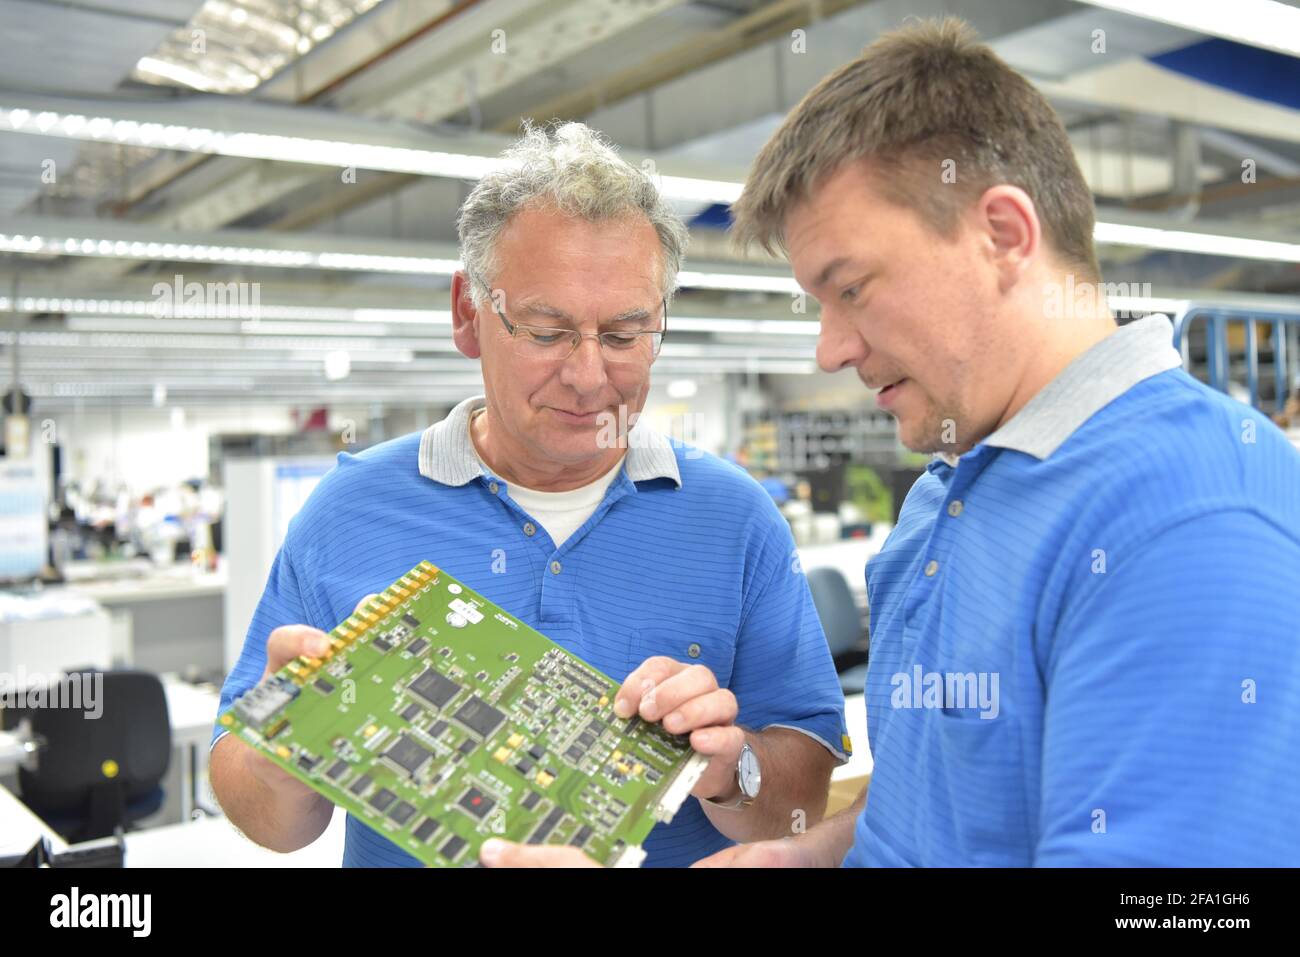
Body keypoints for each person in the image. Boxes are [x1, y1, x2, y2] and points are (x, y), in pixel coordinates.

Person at [487, 17, 1300, 868]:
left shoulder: (1192, 520)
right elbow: (951, 806)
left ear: (1004, 236)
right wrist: (798, 857)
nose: (830, 349)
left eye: (852, 289)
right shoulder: (946, 491)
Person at [209, 121, 848, 868]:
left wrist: (730, 766)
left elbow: (802, 802)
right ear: (467, 313)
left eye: (624, 333)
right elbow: (267, 818)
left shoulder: (736, 519)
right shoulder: (347, 512)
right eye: (546, 331)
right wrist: (287, 751)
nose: (587, 375)